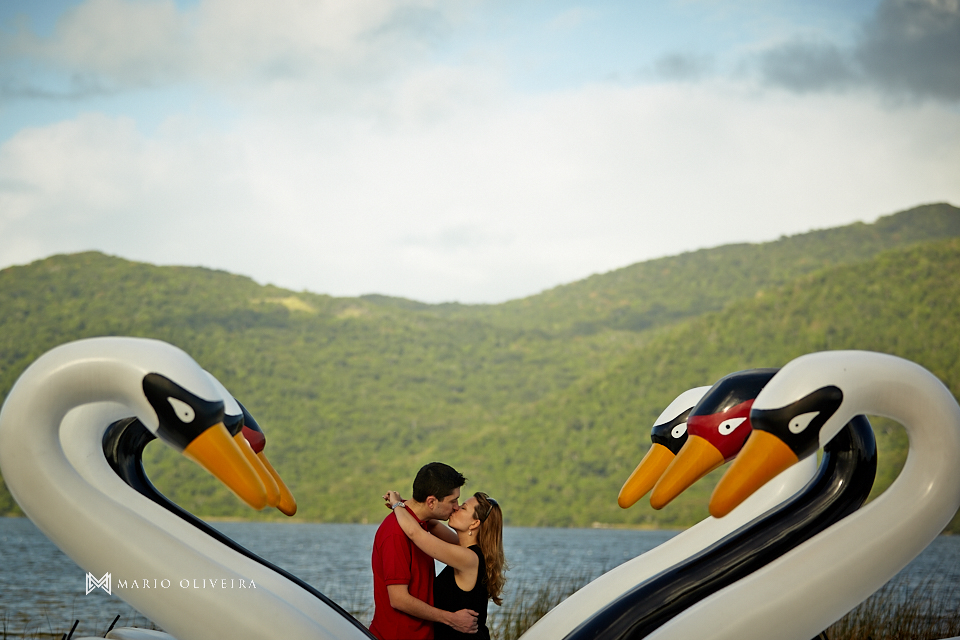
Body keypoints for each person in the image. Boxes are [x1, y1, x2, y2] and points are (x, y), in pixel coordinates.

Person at [370, 462, 480, 640]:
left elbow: (459, 542)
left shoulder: (421, 524)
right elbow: (399, 599)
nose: (457, 506)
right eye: (453, 500)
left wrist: (400, 504)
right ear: (431, 501)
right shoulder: (395, 534)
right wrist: (451, 619)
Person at [384, 487, 506, 640]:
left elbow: (415, 533)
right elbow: (431, 524)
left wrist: (397, 505)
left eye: (463, 508)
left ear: (474, 523)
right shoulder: (465, 550)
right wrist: (406, 503)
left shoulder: (468, 558)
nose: (455, 508)